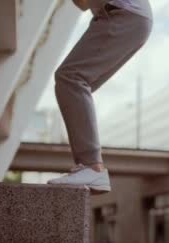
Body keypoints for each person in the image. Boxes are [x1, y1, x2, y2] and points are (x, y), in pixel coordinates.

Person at [47, 0, 153, 194]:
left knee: (70, 78)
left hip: (121, 15)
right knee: (73, 88)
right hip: (130, 18)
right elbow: (82, 4)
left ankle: (92, 166)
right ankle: (90, 167)